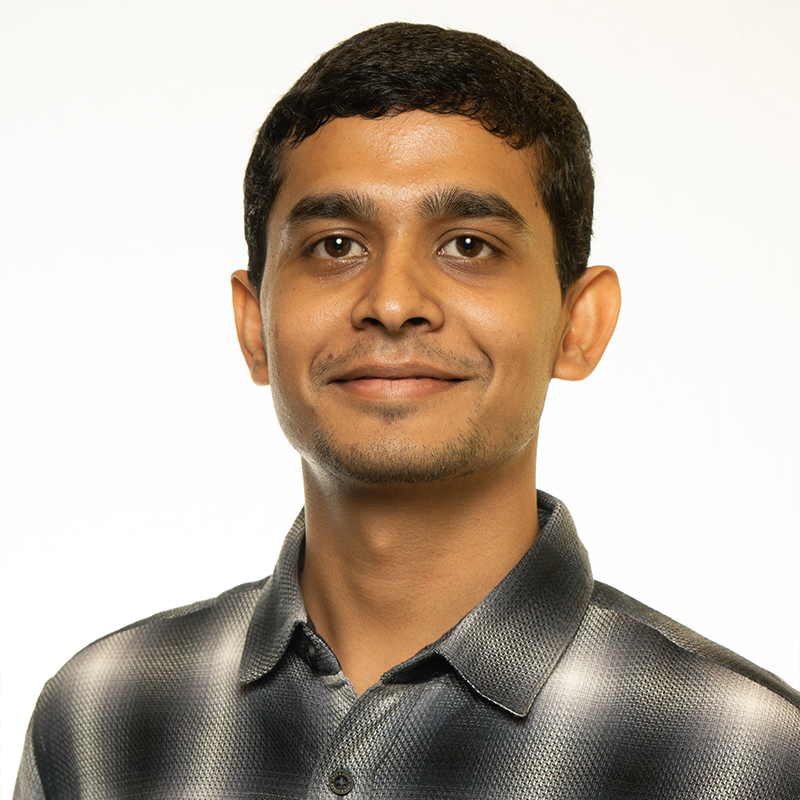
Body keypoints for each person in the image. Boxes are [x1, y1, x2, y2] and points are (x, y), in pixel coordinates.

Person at [14, 21, 800, 800]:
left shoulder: (747, 757)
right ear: (255, 328)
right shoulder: (100, 718)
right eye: (334, 245)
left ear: (578, 324)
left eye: (468, 245)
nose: (392, 302)